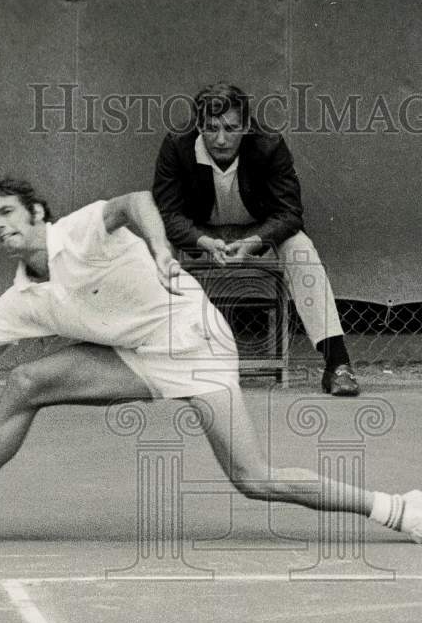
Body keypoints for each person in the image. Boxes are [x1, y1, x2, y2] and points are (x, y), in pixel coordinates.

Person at [0, 176, 422, 546]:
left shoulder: (78, 232)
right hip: (138, 357)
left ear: (38, 215)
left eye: (7, 213)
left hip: (195, 345)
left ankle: (401, 509)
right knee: (25, 380)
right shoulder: (21, 300)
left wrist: (160, 249)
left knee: (253, 481)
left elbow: (134, 200)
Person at [153, 82, 359, 396]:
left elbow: (290, 213)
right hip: (200, 238)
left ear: (246, 126)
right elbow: (166, 214)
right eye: (211, 128)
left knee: (300, 248)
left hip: (254, 235)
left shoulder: (269, 145)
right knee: (157, 249)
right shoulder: (176, 146)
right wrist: (200, 240)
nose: (221, 139)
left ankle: (338, 364)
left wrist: (253, 242)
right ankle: (154, 366)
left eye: (231, 128)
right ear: (198, 126)